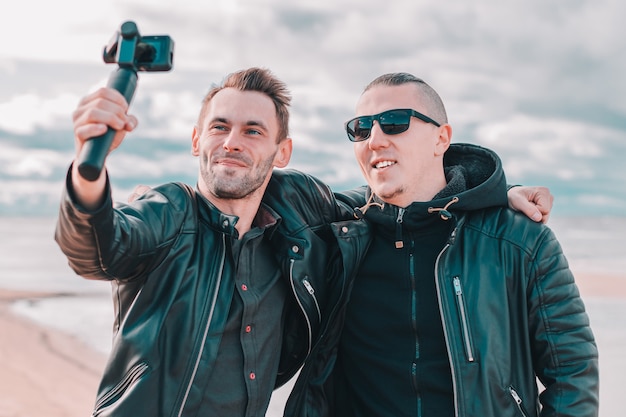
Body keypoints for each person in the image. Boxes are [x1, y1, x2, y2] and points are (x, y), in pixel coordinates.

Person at [56, 66, 553, 417]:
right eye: (220, 127)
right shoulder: (169, 213)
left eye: (254, 130)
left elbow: (385, 198)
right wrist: (88, 167)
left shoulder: (299, 221)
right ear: (196, 141)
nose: (232, 141)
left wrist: (485, 196)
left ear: (282, 151)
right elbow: (96, 248)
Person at [284, 73, 598, 417]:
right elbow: (261, 192)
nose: (374, 139)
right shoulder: (339, 237)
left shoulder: (519, 239)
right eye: (361, 128)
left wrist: (492, 198)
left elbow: (572, 373)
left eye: (394, 122)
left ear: (441, 138)